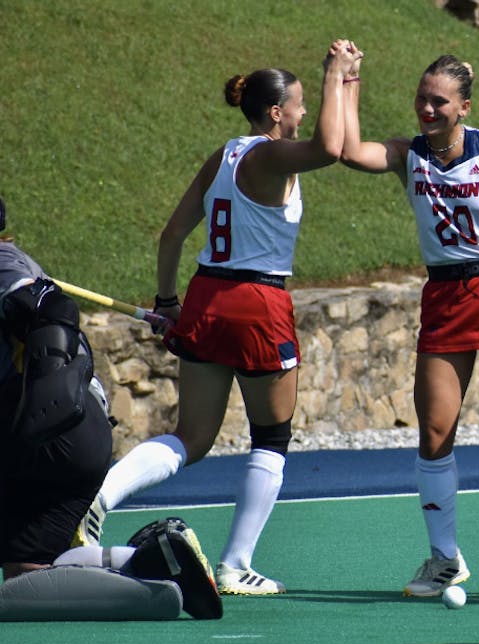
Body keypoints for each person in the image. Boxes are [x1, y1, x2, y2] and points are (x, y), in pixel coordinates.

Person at [75, 40, 364, 596]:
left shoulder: (226, 154)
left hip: (208, 294)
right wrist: (332, 71)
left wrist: (166, 303)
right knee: (272, 437)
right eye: (298, 105)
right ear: (276, 113)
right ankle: (236, 563)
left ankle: (100, 497)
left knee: (192, 436)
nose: (303, 114)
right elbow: (331, 148)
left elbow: (172, 234)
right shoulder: (271, 156)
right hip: (257, 303)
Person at [340, 54, 479, 597]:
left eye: (439, 101)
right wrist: (347, 81)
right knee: (435, 431)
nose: (427, 109)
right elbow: (347, 151)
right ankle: (445, 559)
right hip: (444, 297)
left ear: (464, 106)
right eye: (422, 98)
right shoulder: (405, 154)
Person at [0, 201, 220, 621]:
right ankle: (152, 563)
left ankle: (157, 591)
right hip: (66, 432)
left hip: (50, 432)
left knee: (22, 579)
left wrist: (46, 409)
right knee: (30, 573)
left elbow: (51, 309)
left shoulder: (4, 265)